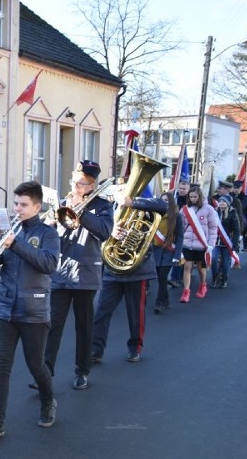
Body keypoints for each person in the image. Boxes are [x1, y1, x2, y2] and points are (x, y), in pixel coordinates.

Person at [0, 181, 60, 442]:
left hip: (34, 309)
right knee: (0, 368)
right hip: (5, 308)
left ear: (36, 206)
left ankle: (47, 401)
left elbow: (48, 264)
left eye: (23, 205)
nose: (17, 209)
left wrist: (15, 244)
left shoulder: (47, 234)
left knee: (36, 365)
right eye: (16, 204)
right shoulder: (8, 230)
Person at [42, 160, 113, 391]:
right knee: (52, 324)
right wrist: (49, 223)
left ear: (92, 185)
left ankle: (82, 371)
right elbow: (50, 236)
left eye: (81, 183)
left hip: (86, 272)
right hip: (61, 271)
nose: (75, 186)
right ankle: (45, 372)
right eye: (74, 181)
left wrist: (81, 209)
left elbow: (104, 232)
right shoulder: (62, 202)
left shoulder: (103, 206)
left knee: (84, 326)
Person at [91, 188, 167, 363]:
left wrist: (132, 203)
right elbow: (99, 231)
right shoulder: (108, 208)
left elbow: (162, 206)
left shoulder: (143, 207)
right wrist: (111, 232)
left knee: (136, 314)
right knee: (101, 312)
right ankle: (95, 350)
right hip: (112, 270)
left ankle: (135, 347)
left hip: (137, 270)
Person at [178, 185, 218, 302]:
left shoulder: (209, 209)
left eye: (195, 196)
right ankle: (186, 292)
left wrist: (211, 244)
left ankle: (202, 285)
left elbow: (212, 228)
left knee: (201, 268)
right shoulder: (184, 209)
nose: (192, 199)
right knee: (187, 267)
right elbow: (181, 226)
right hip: (187, 244)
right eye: (190, 197)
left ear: (199, 196)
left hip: (202, 244)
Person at [152, 192, 183, 313]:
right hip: (156, 251)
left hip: (169, 251)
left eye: (166, 200)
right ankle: (166, 299)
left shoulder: (176, 216)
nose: (164, 202)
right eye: (162, 200)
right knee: (160, 278)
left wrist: (177, 255)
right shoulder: (154, 215)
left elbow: (180, 236)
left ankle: (159, 302)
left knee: (162, 277)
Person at [210, 195, 240, 288]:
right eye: (220, 201)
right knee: (213, 259)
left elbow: (236, 230)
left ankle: (224, 279)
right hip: (215, 241)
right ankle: (215, 277)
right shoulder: (215, 212)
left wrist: (235, 244)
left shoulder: (233, 213)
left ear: (228, 203)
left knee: (225, 262)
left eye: (224, 201)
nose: (221, 203)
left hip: (227, 242)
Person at [168, 178, 192, 287]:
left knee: (181, 253)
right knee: (176, 252)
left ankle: (176, 278)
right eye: (180, 188)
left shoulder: (191, 200)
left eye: (184, 189)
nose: (181, 190)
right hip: (173, 227)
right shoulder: (173, 197)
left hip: (187, 230)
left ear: (189, 189)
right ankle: (176, 277)